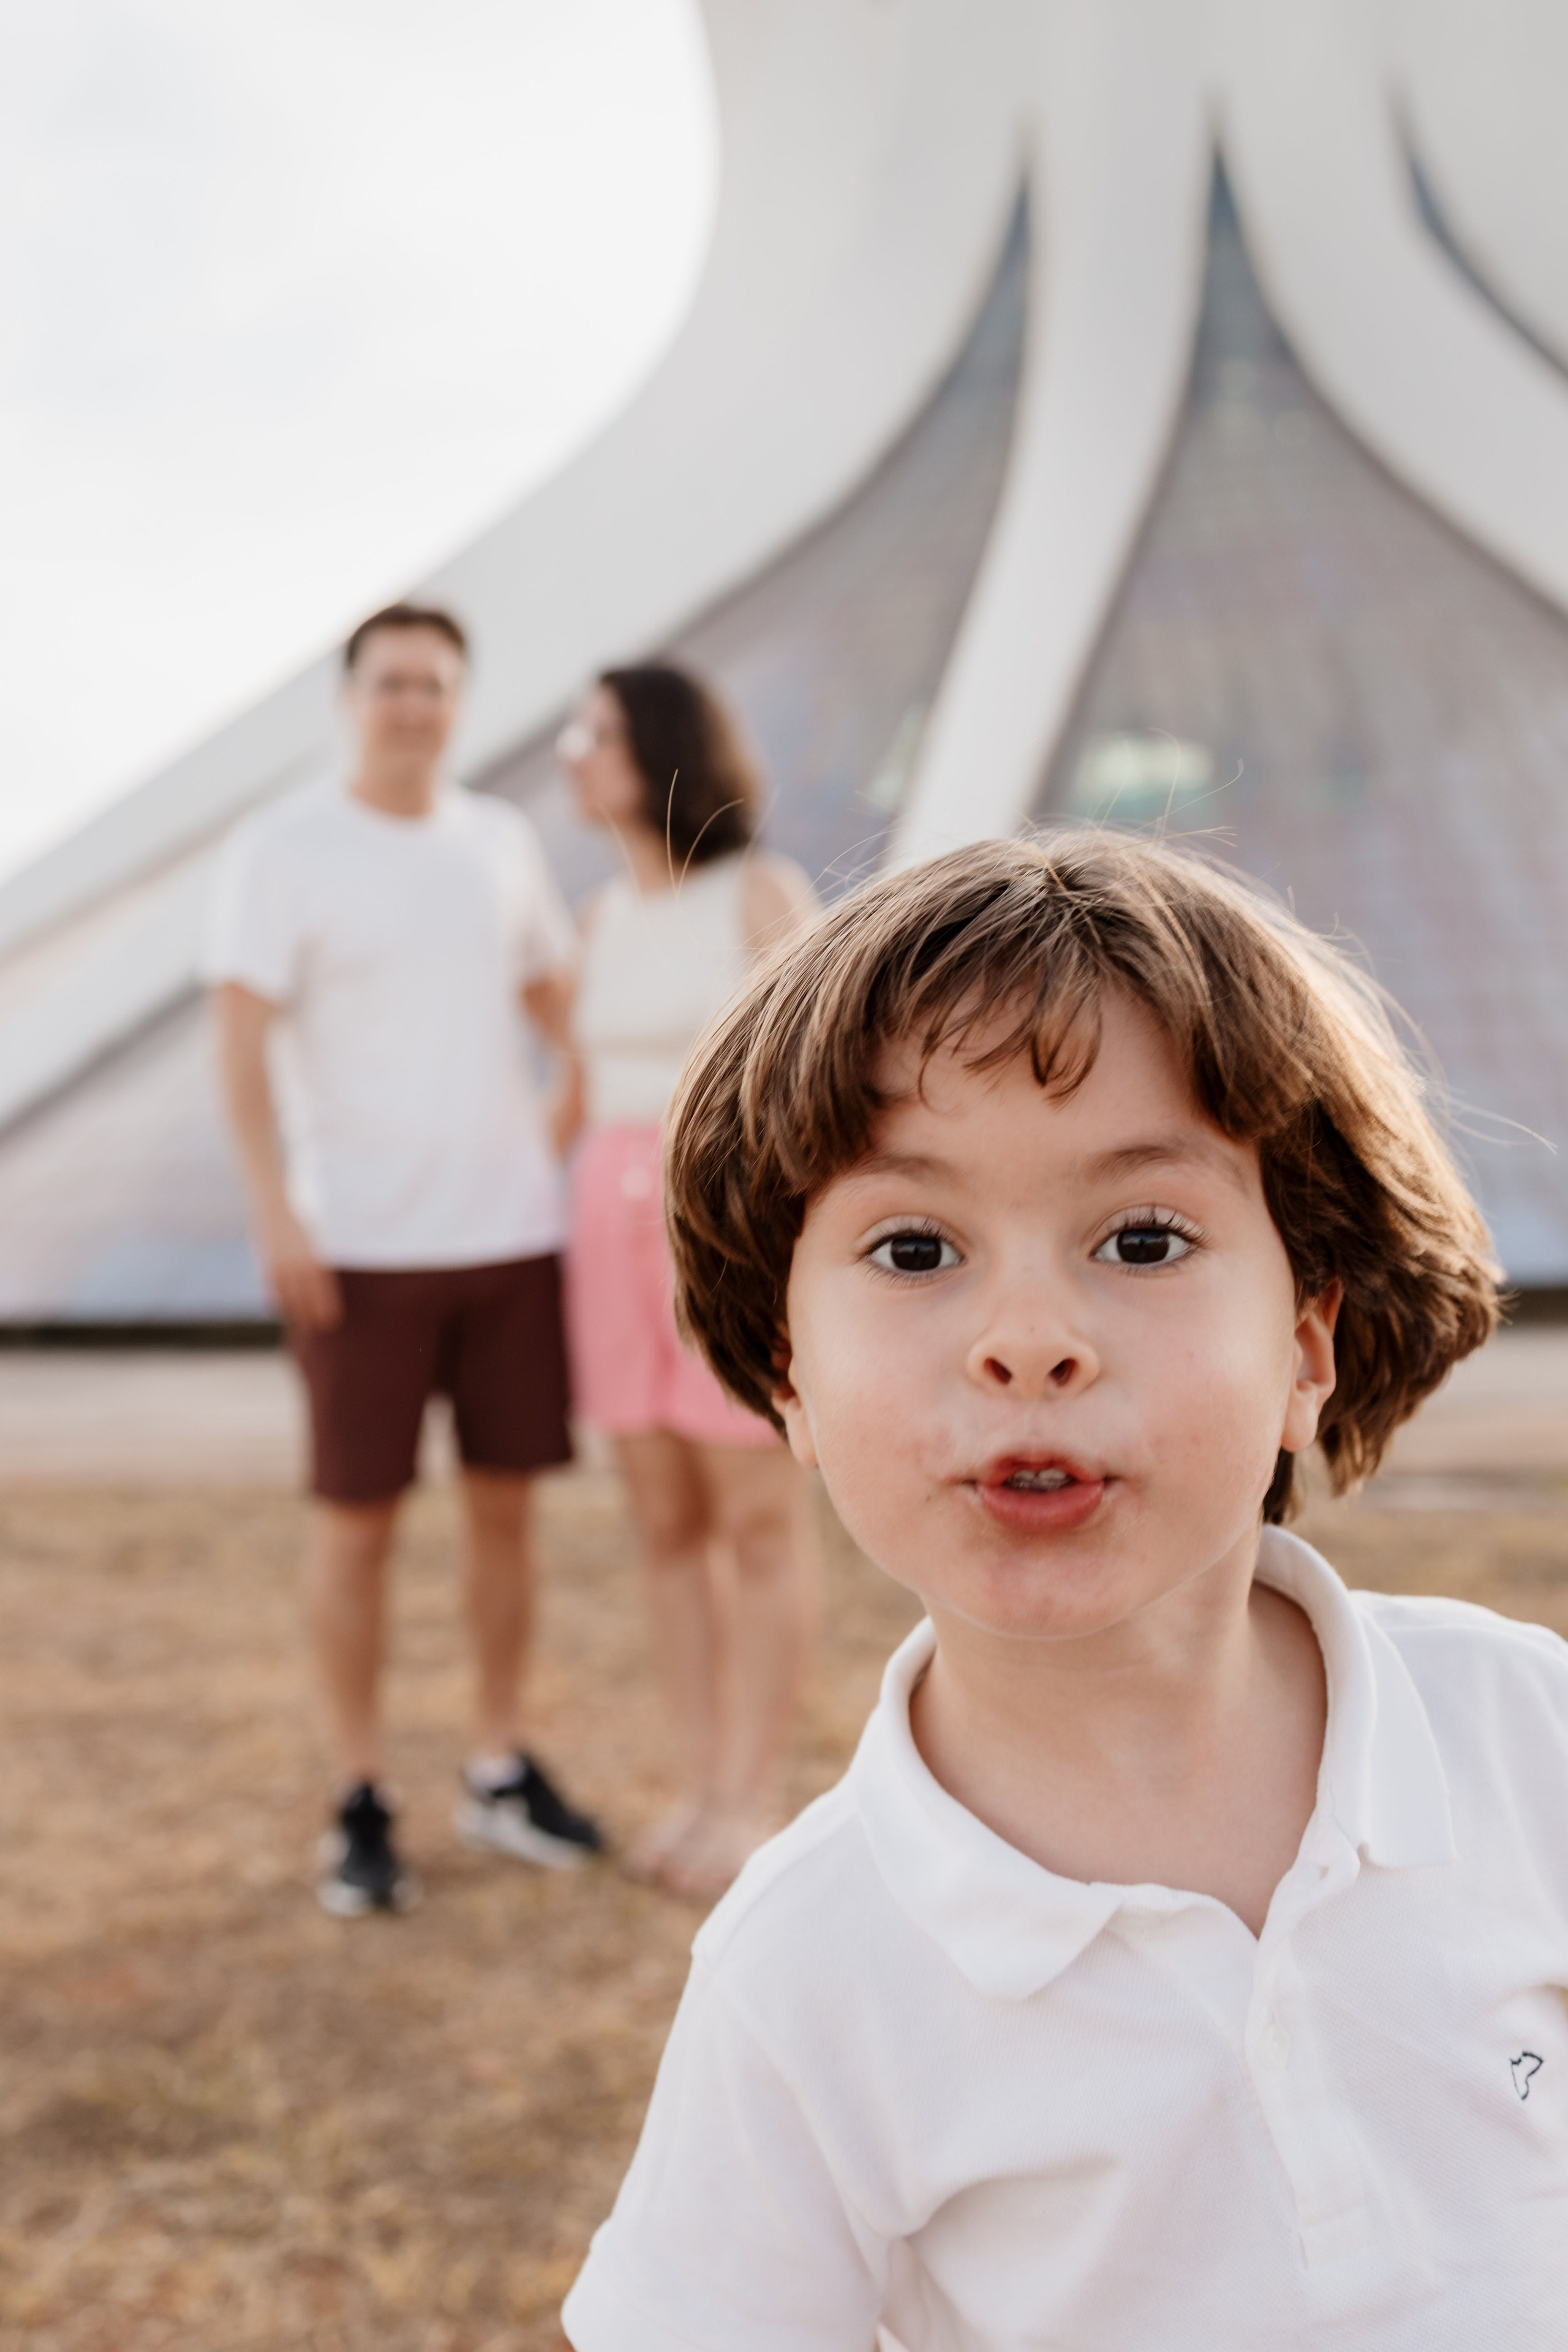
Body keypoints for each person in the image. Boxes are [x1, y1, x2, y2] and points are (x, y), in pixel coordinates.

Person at [561, 831, 1568, 2350]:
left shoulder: (1523, 1733)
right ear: (791, 1380)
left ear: (1306, 1343)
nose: (1027, 1339)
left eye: (1141, 1238)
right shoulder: (807, 1967)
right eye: (914, 1248)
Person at [206, 602, 603, 1918]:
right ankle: (360, 1793)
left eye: (435, 685)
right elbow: (241, 1044)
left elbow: (559, 998)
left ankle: (495, 1767)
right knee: (355, 1530)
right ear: (350, 699)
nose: (413, 705)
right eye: (391, 684)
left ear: (459, 701)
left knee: (506, 1516)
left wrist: (566, 1111)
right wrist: (276, 1213)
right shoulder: (284, 850)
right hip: (357, 1250)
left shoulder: (496, 842)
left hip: (508, 1239)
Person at [557, 662, 820, 1896]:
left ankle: (751, 1802)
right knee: (664, 1525)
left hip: (719, 1220)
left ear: (655, 746)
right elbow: (570, 1094)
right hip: (601, 1228)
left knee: (754, 1522)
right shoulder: (599, 919)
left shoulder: (758, 895)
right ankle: (698, 1784)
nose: (571, 751)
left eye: (594, 731)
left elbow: (826, 1073)